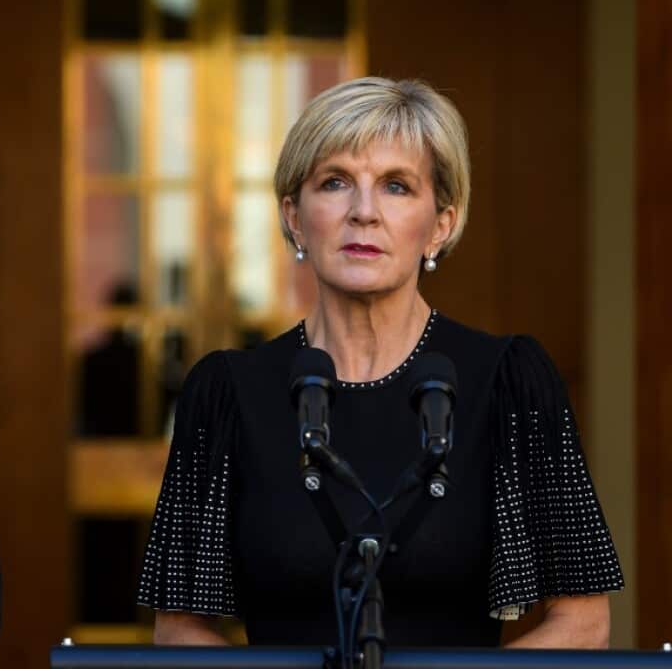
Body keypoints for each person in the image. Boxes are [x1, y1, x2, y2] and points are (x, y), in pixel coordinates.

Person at [137, 77, 622, 648]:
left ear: (440, 225)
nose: (363, 212)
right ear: (294, 216)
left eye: (396, 186)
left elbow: (583, 623)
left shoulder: (508, 382)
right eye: (336, 182)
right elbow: (179, 629)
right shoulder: (225, 394)